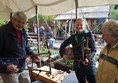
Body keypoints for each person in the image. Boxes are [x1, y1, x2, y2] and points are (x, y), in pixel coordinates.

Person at [0, 11, 40, 83]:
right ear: (12, 19)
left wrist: (33, 55)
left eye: (23, 23)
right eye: (18, 21)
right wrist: (5, 67)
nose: (21, 25)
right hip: (9, 70)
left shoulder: (22, 31)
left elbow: (26, 46)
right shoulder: (2, 31)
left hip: (23, 67)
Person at [59, 18, 97, 83]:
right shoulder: (73, 37)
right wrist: (63, 55)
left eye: (81, 25)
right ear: (75, 26)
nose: (79, 26)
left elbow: (94, 50)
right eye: (77, 25)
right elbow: (62, 45)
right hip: (78, 66)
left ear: (84, 26)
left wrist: (88, 58)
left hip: (89, 65)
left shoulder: (89, 34)